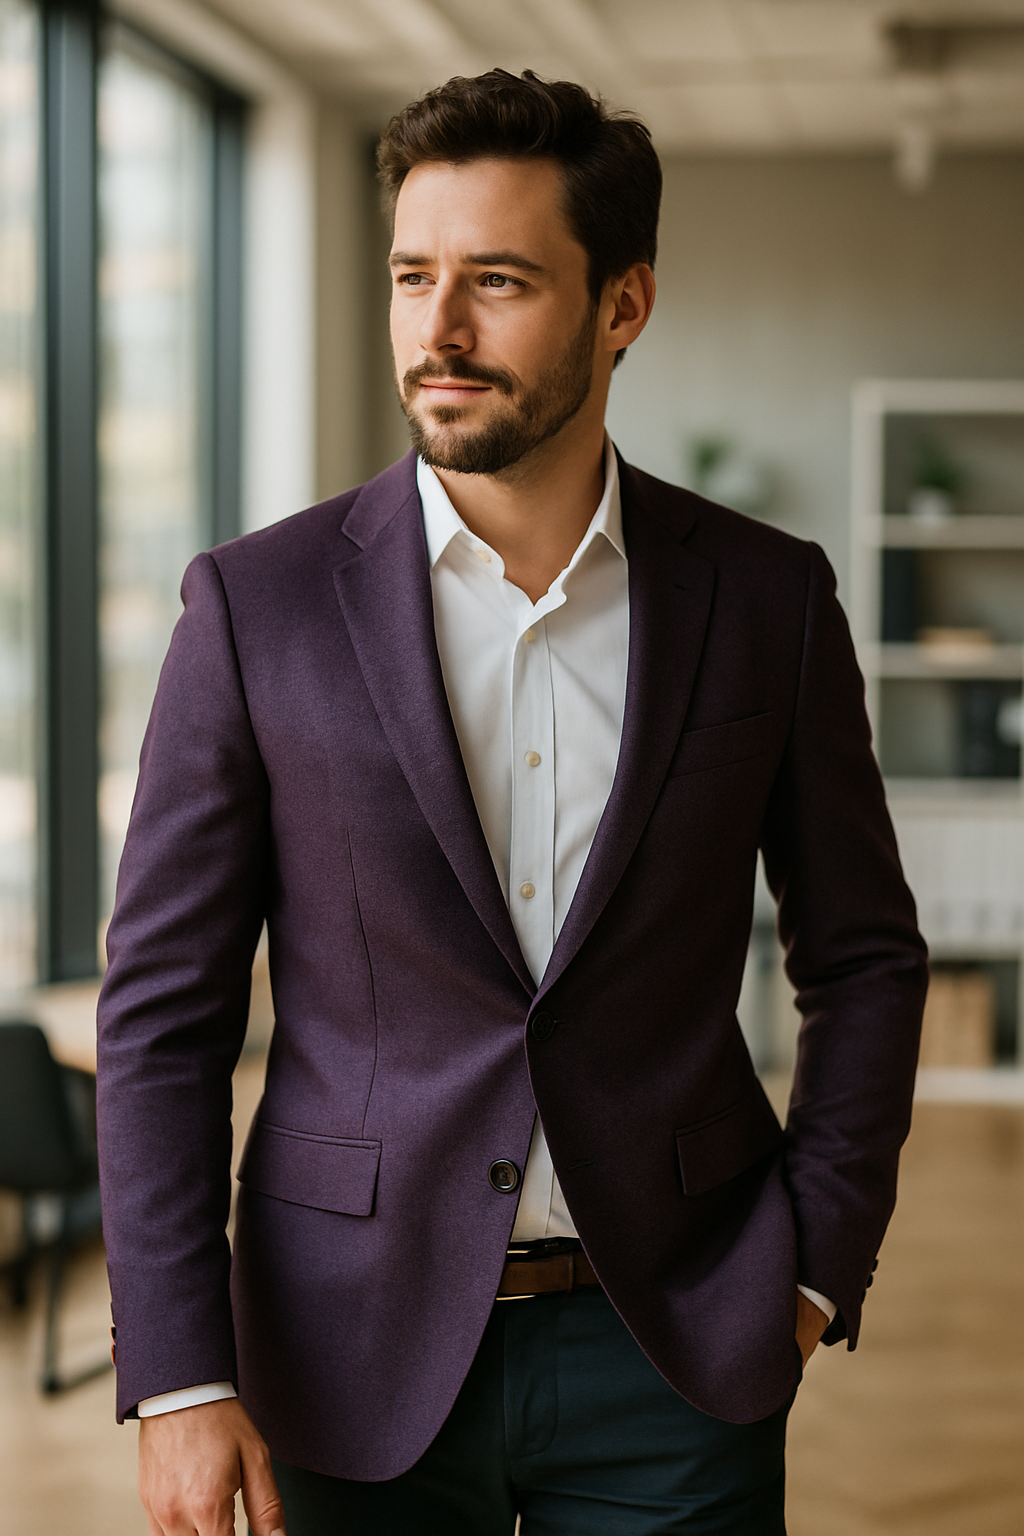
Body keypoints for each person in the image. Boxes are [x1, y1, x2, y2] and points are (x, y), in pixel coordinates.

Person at [97, 68, 928, 1536]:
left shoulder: (765, 601)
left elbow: (863, 955)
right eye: (416, 275)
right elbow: (162, 1008)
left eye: (497, 280)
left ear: (623, 305)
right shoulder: (259, 607)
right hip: (343, 1349)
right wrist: (176, 1376)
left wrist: (811, 1268)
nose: (439, 328)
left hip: (672, 1347)